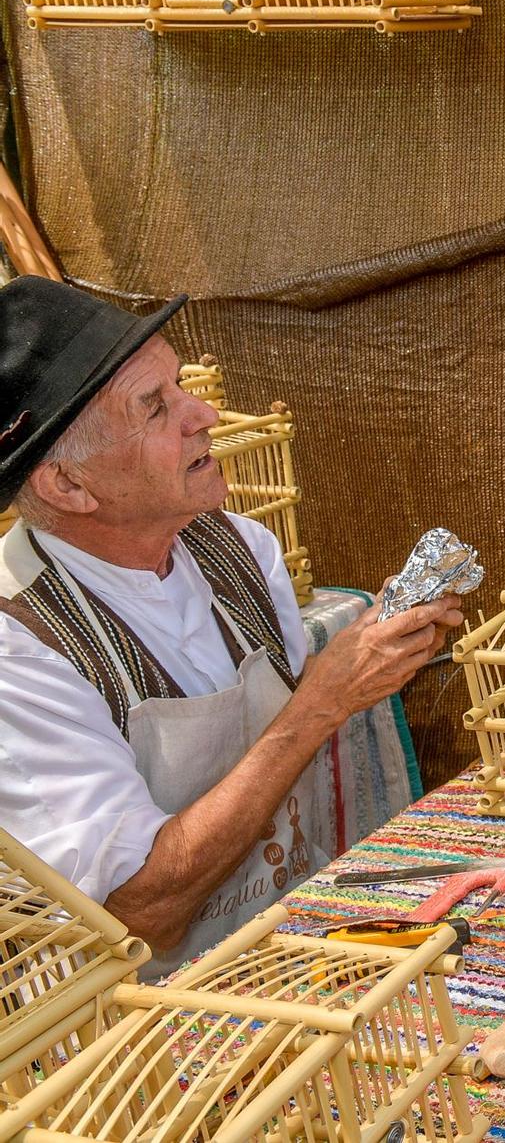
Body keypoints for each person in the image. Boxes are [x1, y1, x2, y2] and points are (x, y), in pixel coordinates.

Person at [0, 278, 462, 971]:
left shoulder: (239, 546)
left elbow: (274, 737)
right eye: (157, 409)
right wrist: (323, 699)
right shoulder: (21, 647)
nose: (206, 413)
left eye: (180, 384)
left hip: (297, 956)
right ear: (68, 486)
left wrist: (378, 648)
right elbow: (135, 914)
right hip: (151, 1034)